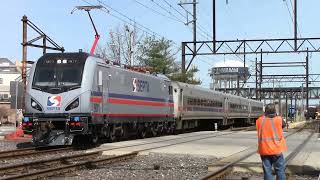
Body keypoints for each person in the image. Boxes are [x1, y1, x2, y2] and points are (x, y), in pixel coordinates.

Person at [256, 103, 287, 180]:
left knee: (267, 171)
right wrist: (276, 115)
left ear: (265, 112)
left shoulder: (259, 120)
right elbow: (283, 125)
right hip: (276, 150)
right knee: (280, 170)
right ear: (275, 112)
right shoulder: (279, 119)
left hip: (264, 150)